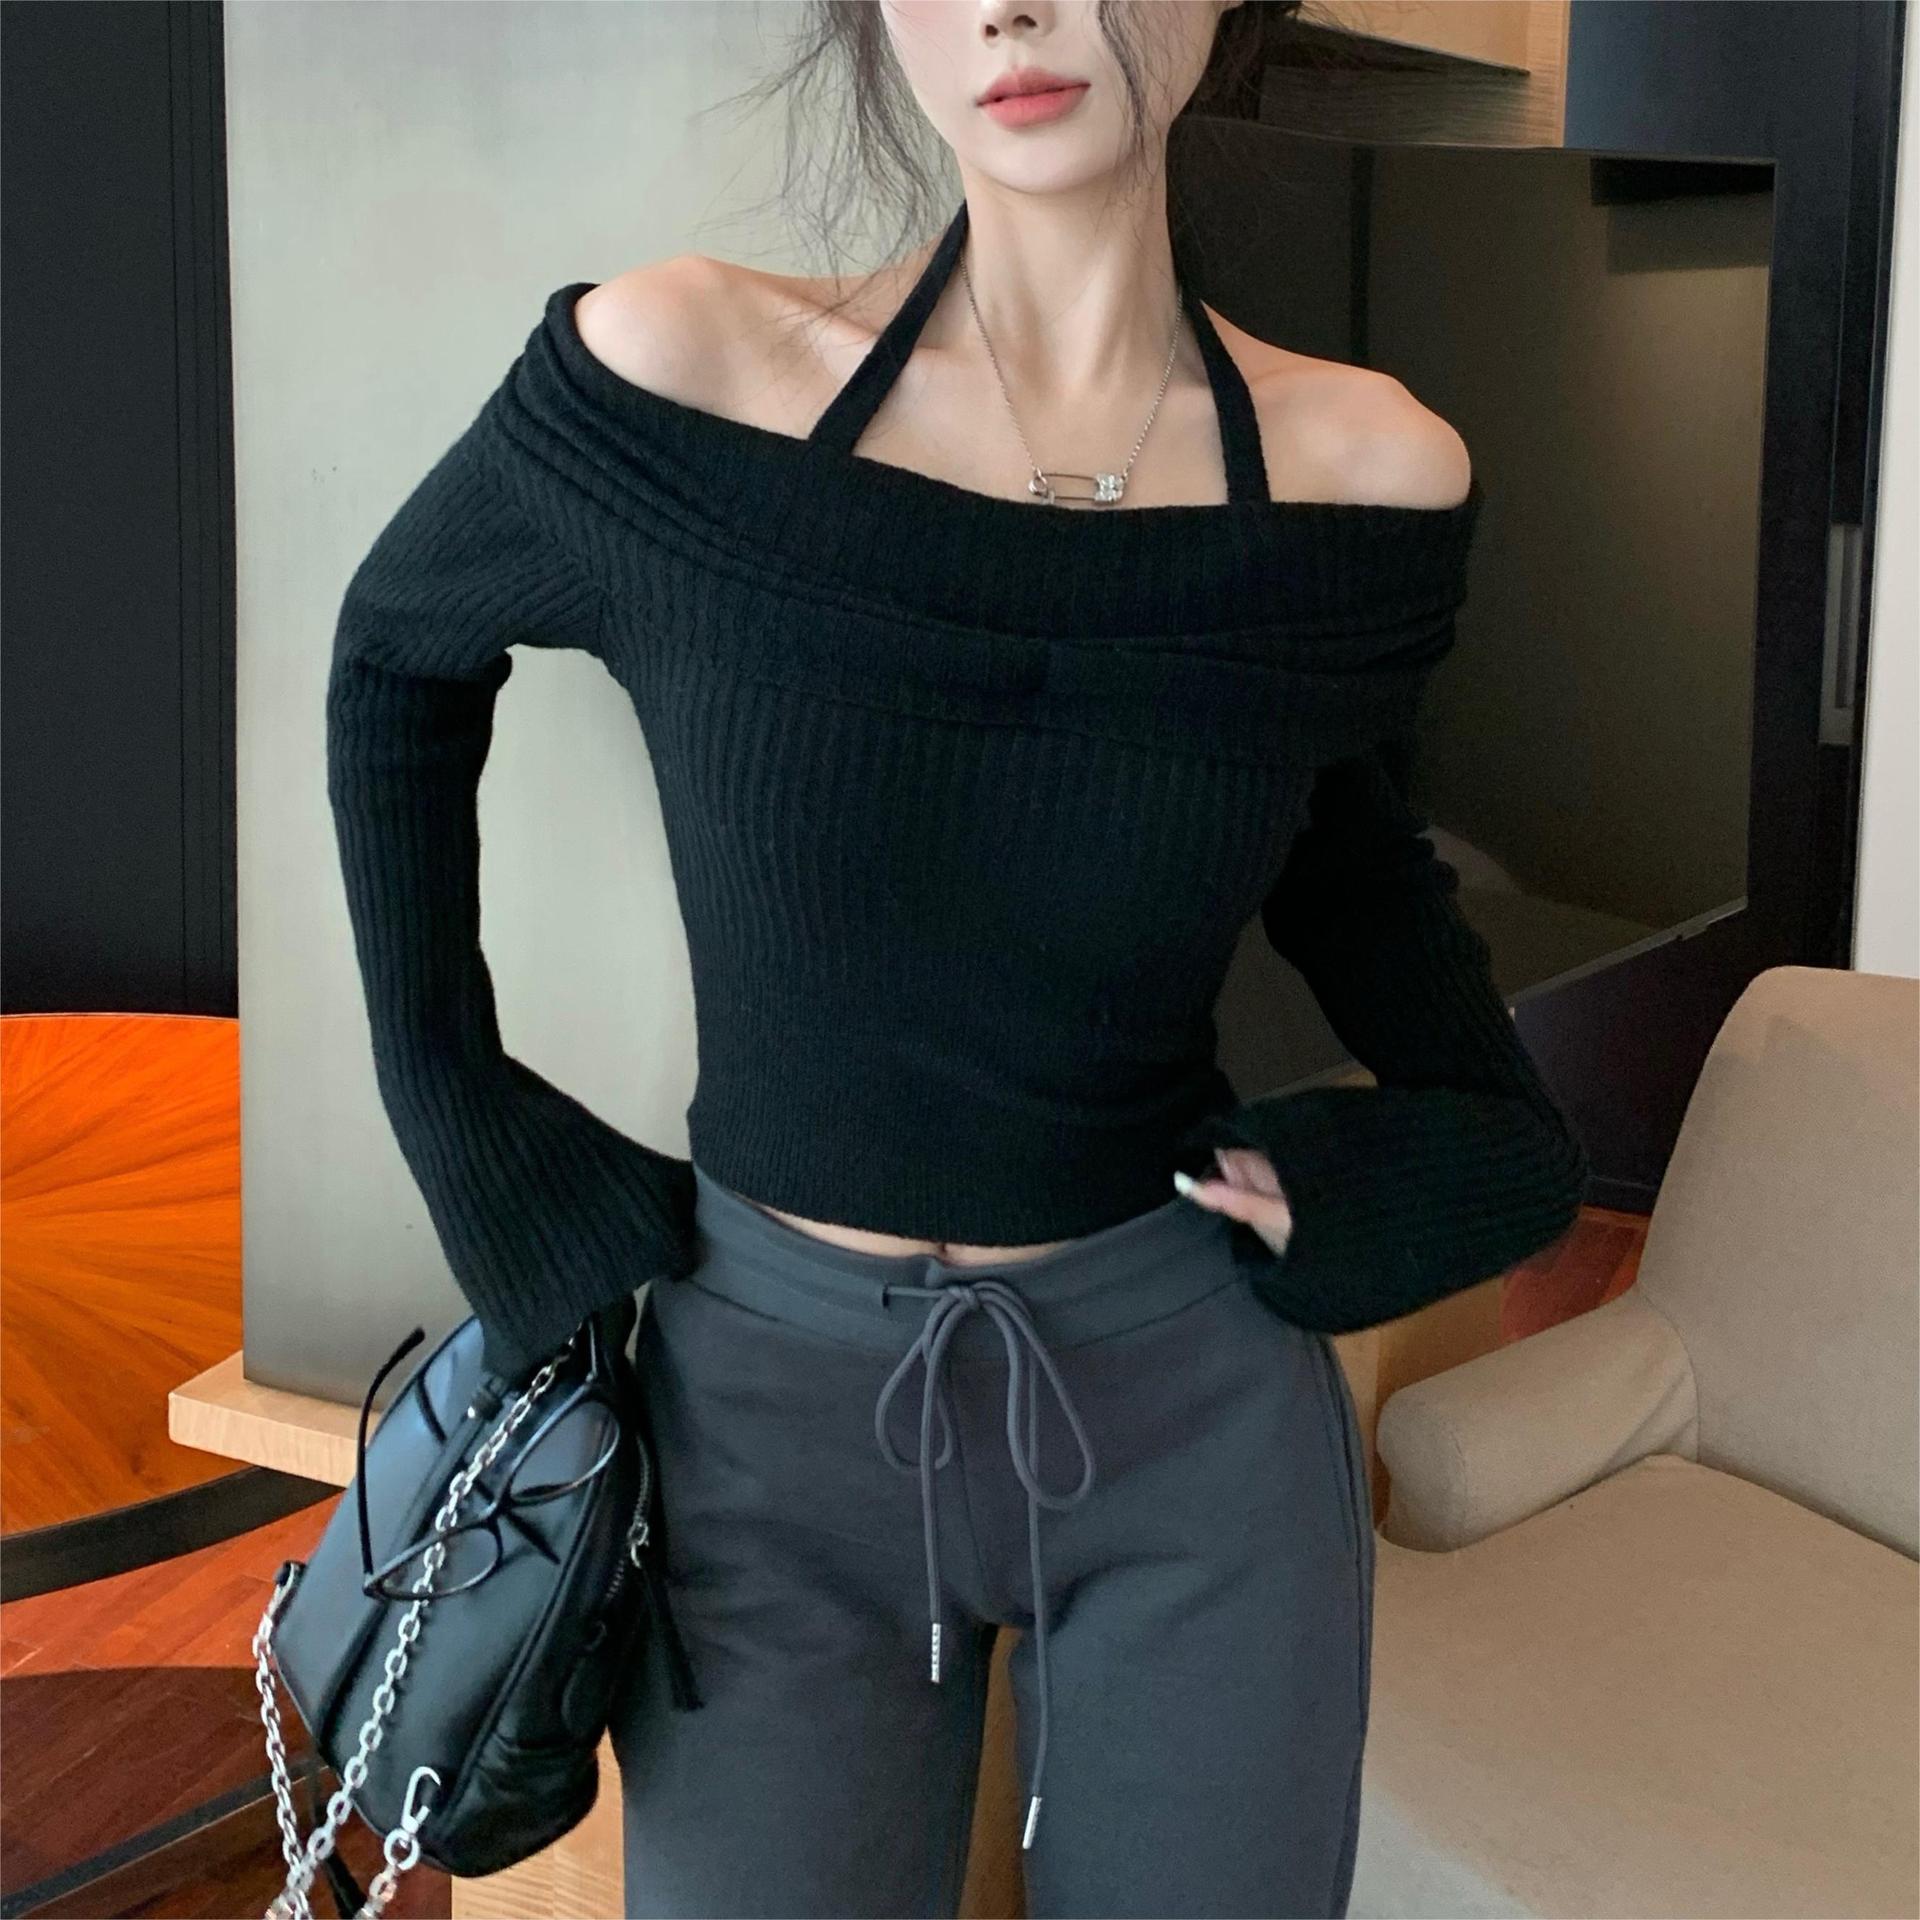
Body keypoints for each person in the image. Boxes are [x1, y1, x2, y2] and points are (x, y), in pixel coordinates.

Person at [325, 2, 1590, 1914]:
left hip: (1186, 1415)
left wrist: (1459, 1155)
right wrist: (470, 1126)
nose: (1012, 5)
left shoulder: (1363, 472)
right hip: (762, 1422)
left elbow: (1356, 868)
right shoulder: (687, 373)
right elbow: (397, 655)